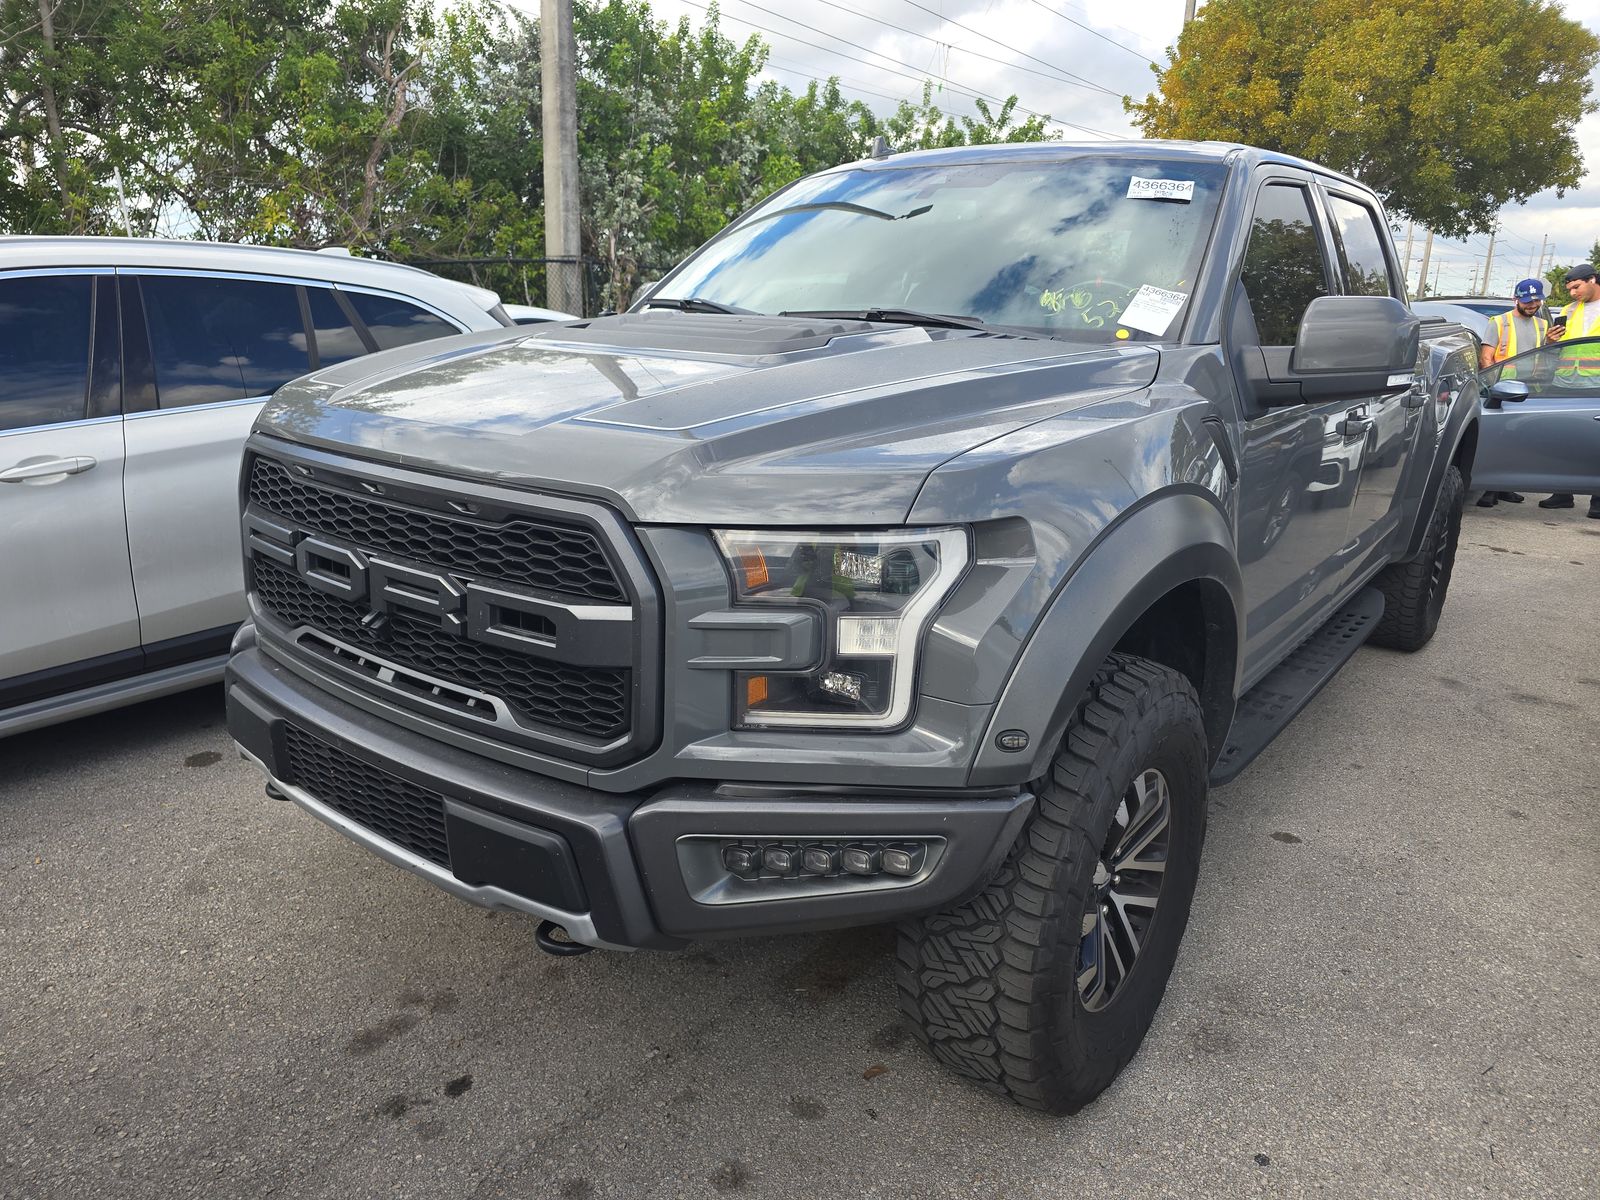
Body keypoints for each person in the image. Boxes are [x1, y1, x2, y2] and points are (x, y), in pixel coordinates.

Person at [1474, 277, 1548, 506]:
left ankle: (1506, 487)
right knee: (1499, 440)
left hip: (1530, 389)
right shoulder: (1499, 322)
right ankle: (1490, 489)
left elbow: (1544, 357)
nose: (1531, 305)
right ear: (1516, 299)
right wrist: (1492, 387)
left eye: (1536, 301)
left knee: (1522, 440)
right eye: (1527, 301)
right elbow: (1486, 357)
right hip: (1503, 391)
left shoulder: (1542, 325)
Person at [1540, 263, 1600, 518]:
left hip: (1596, 383)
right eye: (1570, 289)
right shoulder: (1567, 310)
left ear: (1593, 280)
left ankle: (1597, 501)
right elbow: (1553, 348)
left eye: (1576, 287)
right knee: (1562, 439)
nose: (1573, 293)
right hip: (1565, 381)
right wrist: (1550, 341)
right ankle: (1562, 493)